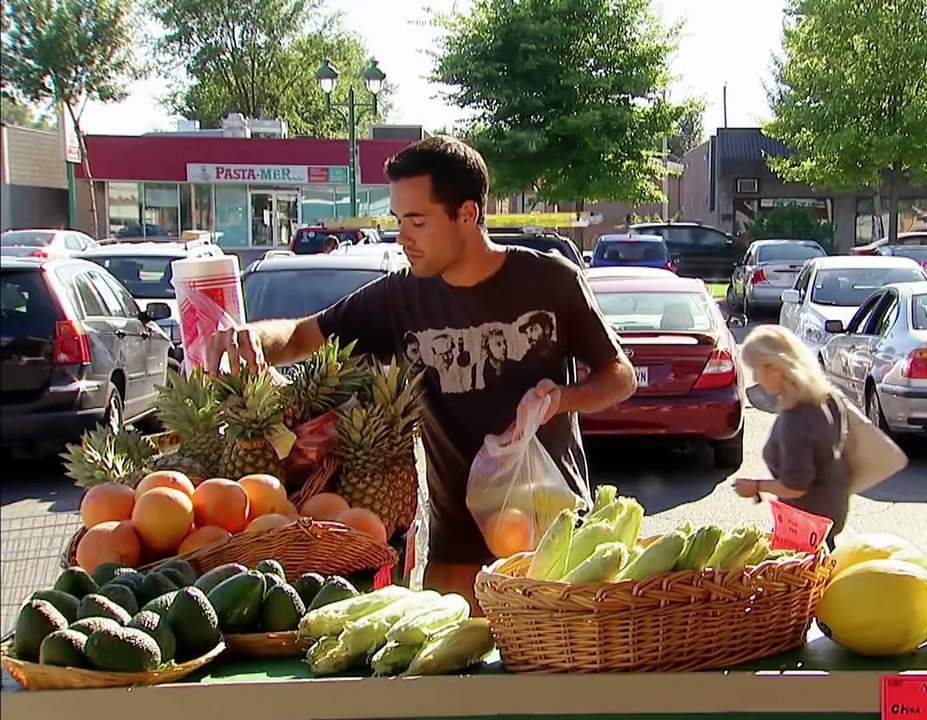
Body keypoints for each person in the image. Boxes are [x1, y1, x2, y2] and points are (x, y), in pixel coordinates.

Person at [204, 136, 638, 610]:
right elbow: (303, 335)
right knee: (452, 678)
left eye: (417, 221)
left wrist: (563, 398)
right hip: (456, 554)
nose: (402, 237)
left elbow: (619, 376)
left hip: (555, 542)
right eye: (398, 221)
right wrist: (251, 339)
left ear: (467, 215)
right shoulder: (399, 297)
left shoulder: (550, 279)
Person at [733, 325, 848, 548]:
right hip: (832, 509)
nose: (756, 378)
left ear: (775, 368)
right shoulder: (828, 398)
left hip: (806, 526)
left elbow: (796, 486)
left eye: (756, 370)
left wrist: (755, 486)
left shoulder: (795, 422)